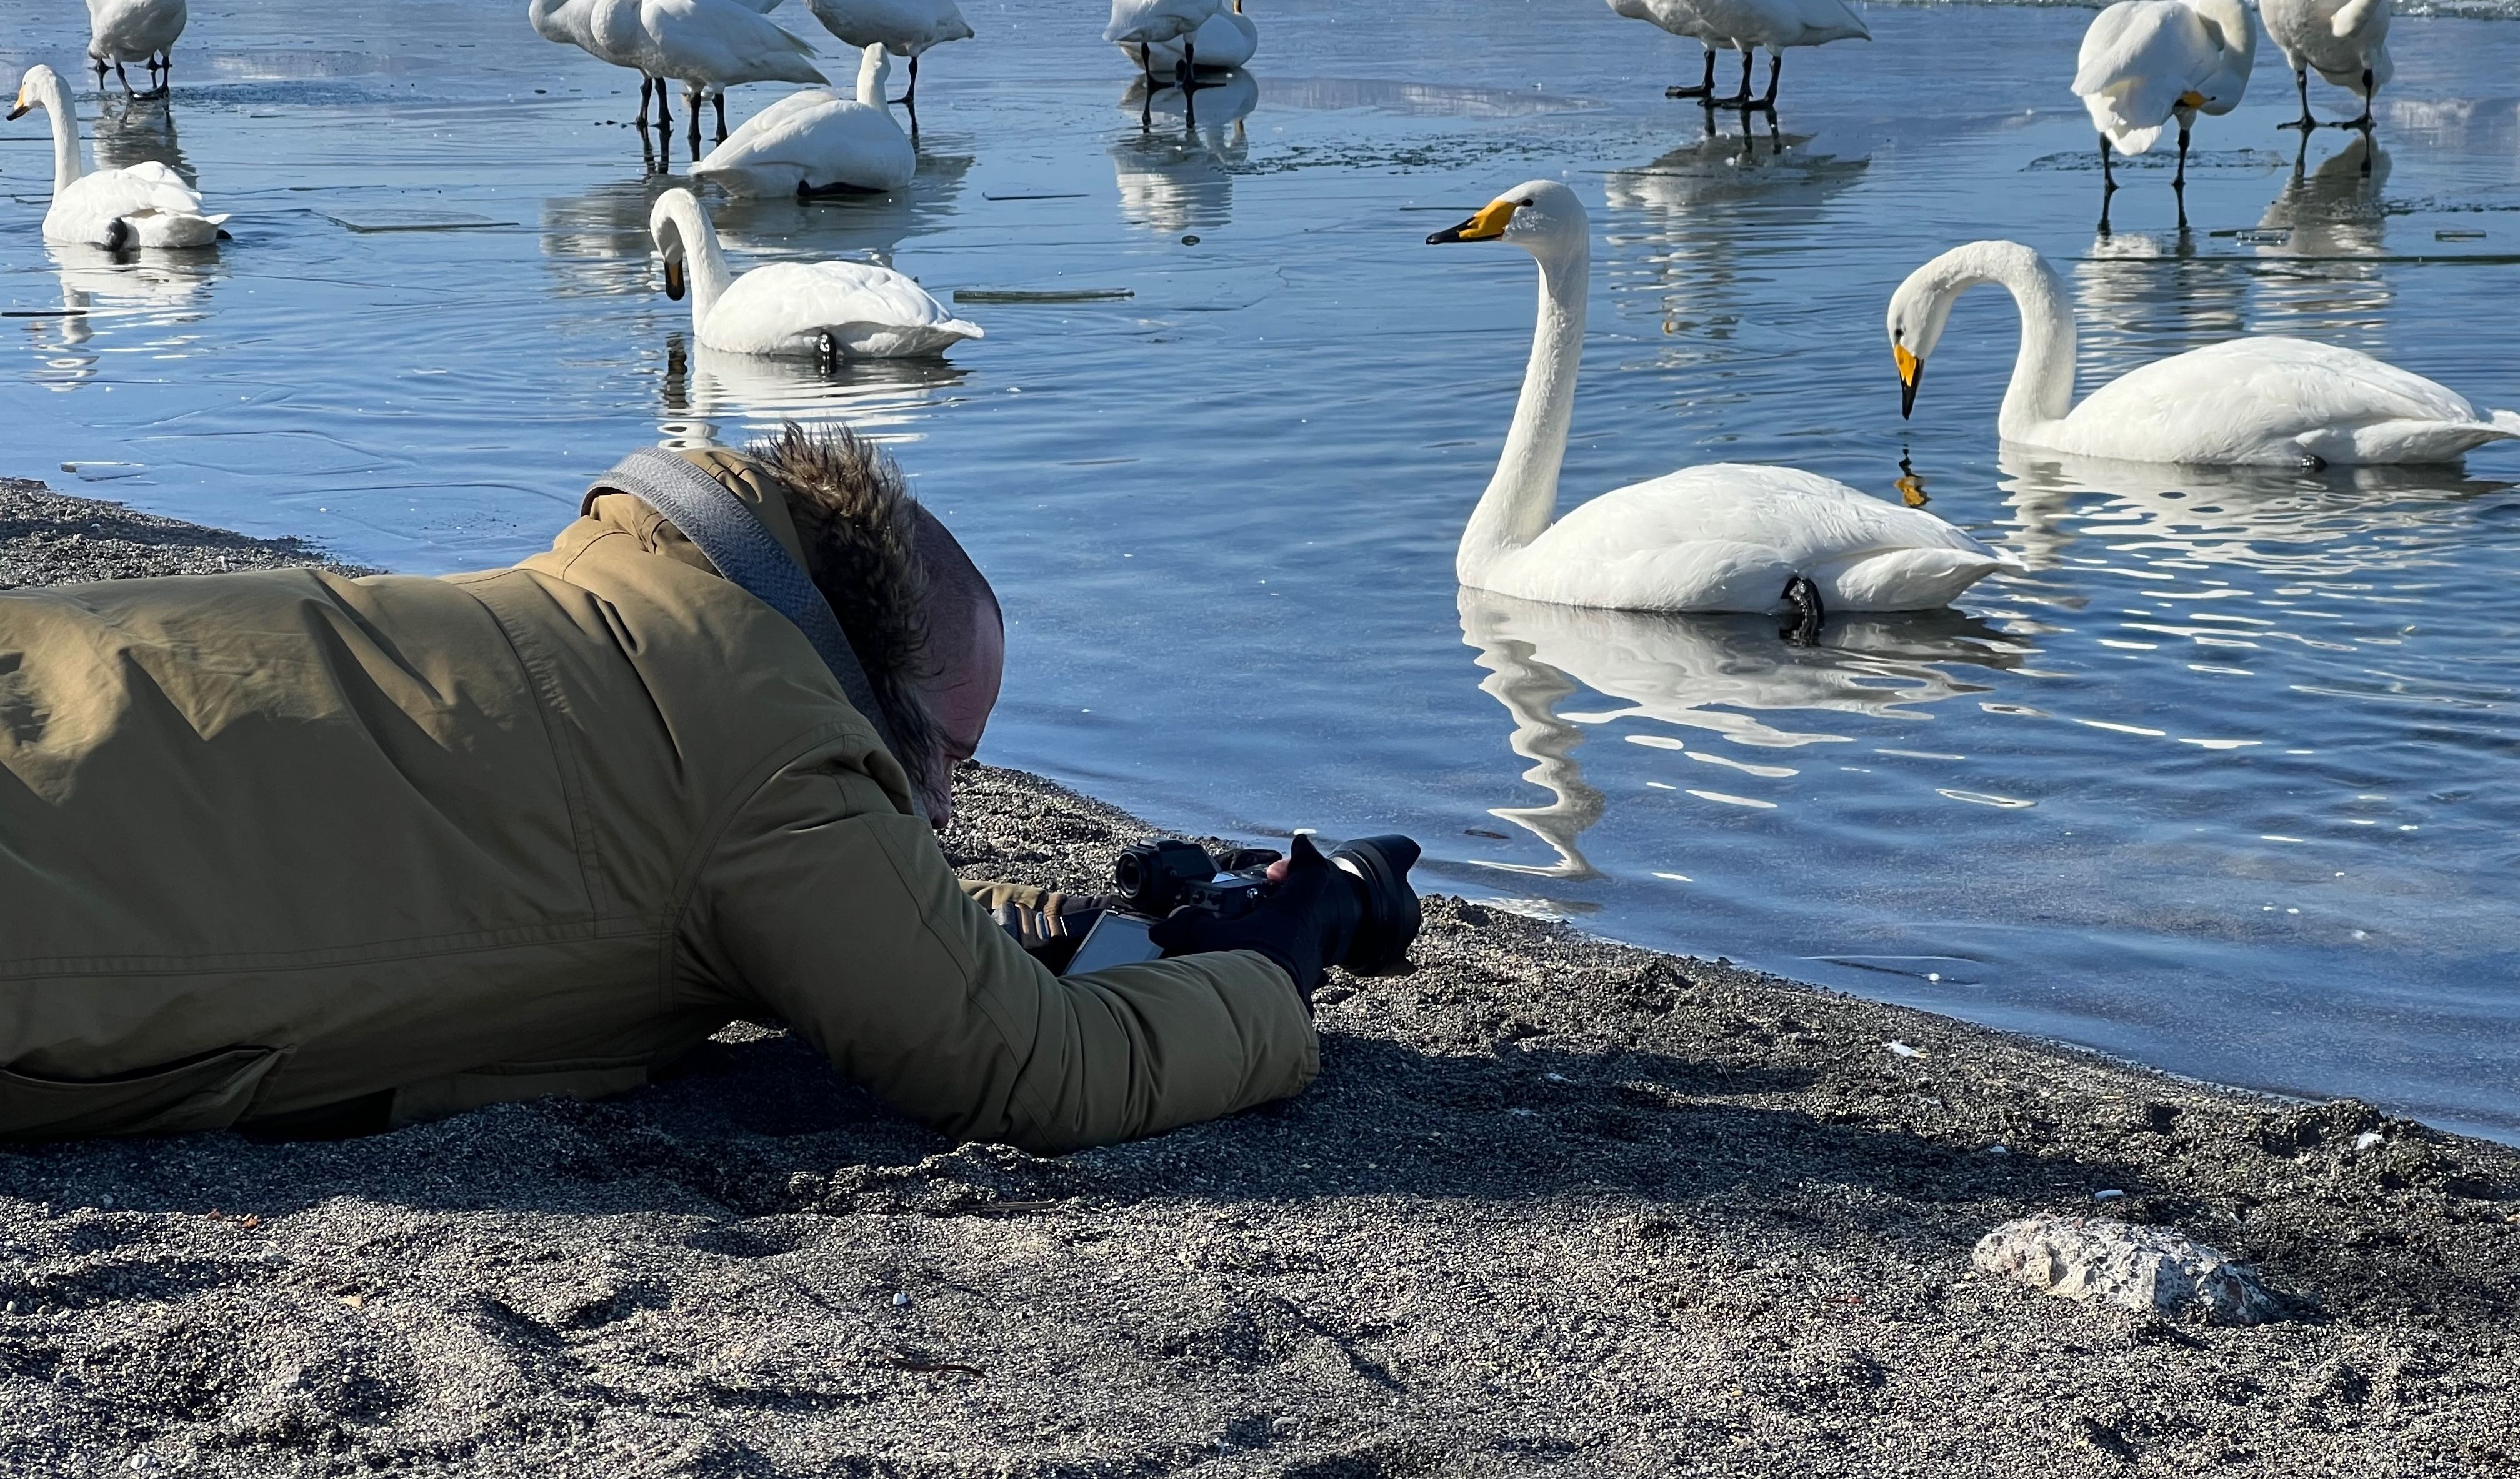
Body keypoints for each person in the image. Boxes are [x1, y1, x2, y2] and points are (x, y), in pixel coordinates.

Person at [0, 427, 1376, 1152]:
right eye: (945, 756)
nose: (950, 809)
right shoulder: (768, 762)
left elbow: (757, 876)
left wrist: (1034, 918)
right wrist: (1270, 977)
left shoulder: (631, 612)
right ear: (863, 674)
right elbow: (1038, 1069)